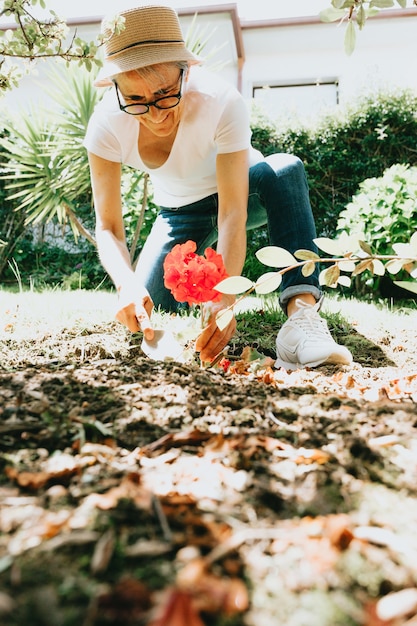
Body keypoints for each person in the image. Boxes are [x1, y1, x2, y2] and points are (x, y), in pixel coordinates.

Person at [84, 4, 352, 370]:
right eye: (136, 100)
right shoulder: (106, 125)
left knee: (285, 168)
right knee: (154, 301)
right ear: (116, 90)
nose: (155, 114)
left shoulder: (220, 101)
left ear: (185, 72)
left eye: (165, 94)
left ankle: (301, 315)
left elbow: (231, 213)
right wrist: (126, 285)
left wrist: (225, 298)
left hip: (248, 191)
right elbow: (108, 228)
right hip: (178, 212)